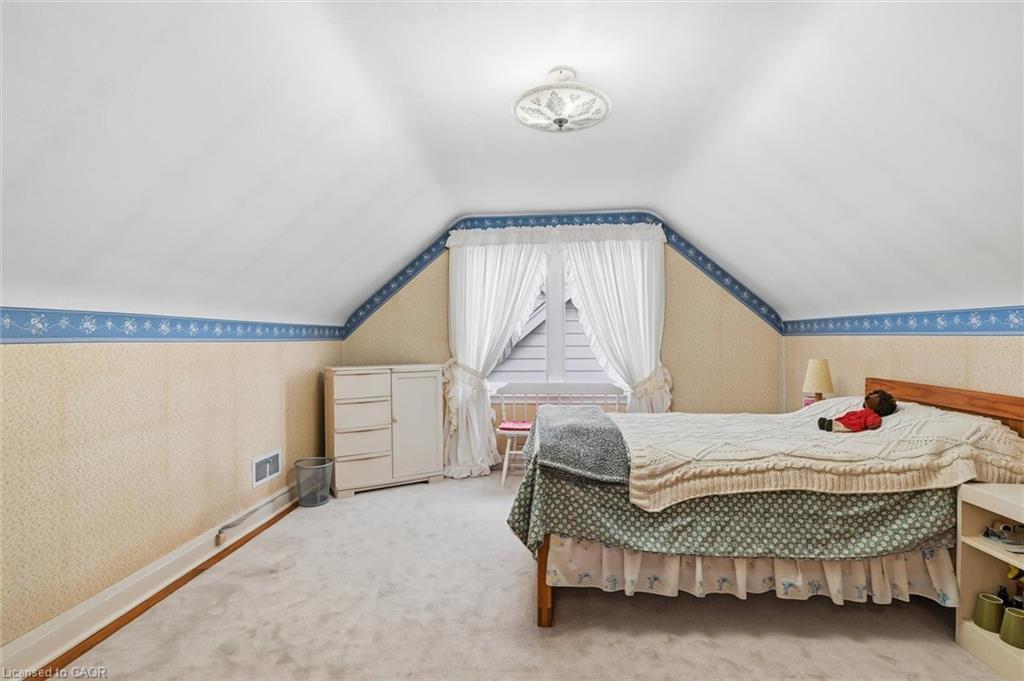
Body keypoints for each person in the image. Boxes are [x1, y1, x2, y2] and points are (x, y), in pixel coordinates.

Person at [817, 389, 897, 432]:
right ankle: (830, 423)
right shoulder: (864, 411)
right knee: (844, 420)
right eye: (871, 394)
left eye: (875, 397)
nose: (869, 395)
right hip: (854, 418)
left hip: (857, 423)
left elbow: (874, 420)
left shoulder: (872, 414)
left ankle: (833, 426)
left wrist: (873, 424)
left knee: (847, 426)